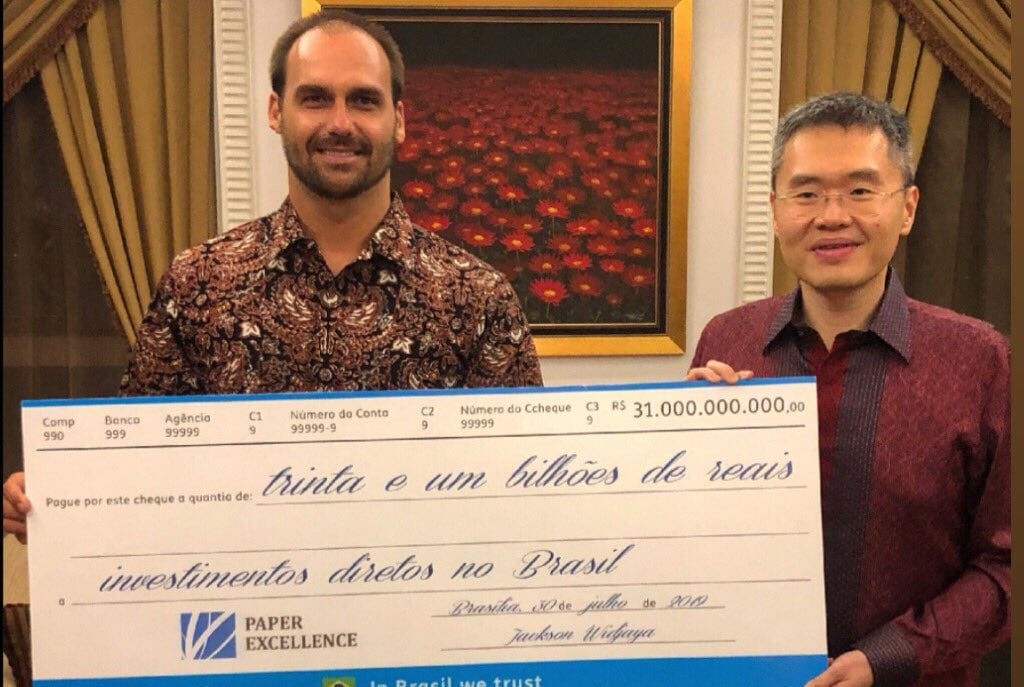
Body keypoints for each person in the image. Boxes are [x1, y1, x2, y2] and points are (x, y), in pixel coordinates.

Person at [4, 11, 542, 542]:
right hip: (242, 621)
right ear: (275, 111)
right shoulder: (198, 285)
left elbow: (529, 491)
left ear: (398, 119)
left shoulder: (478, 298)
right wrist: (58, 504)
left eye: (363, 100)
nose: (339, 123)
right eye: (315, 98)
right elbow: (139, 476)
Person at [687, 92, 1008, 687]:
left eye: (861, 191)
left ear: (908, 207)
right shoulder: (725, 339)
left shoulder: (981, 361)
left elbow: (1005, 566)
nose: (831, 216)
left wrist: (887, 657)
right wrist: (672, 444)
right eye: (806, 194)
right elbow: (684, 540)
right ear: (776, 209)